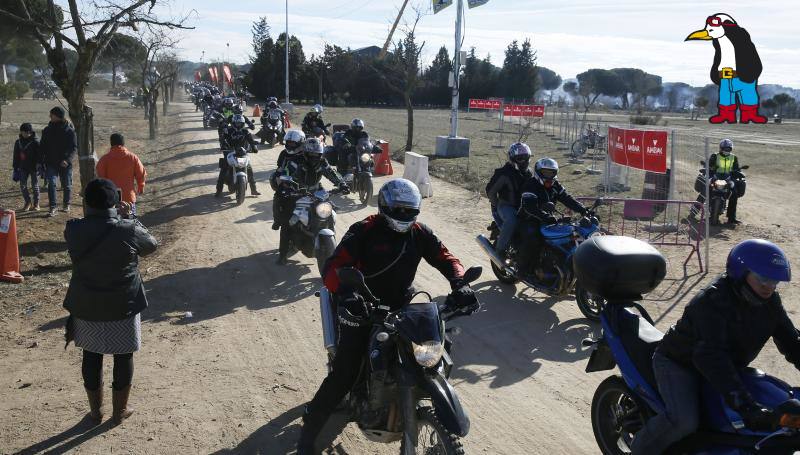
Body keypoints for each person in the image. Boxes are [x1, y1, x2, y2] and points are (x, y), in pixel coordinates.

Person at [296, 178, 479, 454]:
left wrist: (459, 283)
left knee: (436, 353)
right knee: (345, 372)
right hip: (361, 306)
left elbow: (447, 258)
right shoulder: (364, 230)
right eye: (399, 210)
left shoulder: (419, 233)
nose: (404, 216)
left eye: (410, 211)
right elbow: (334, 267)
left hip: (401, 309)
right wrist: (347, 293)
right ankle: (307, 438)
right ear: (384, 207)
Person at [630, 239, 798, 454]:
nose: (769, 286)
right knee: (684, 421)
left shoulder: (769, 301)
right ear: (741, 272)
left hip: (725, 364)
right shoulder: (712, 302)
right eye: (763, 279)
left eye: (775, 281)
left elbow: (791, 342)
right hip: (681, 363)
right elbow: (710, 356)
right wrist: (747, 407)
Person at [63, 178, 158, 425]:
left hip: (87, 305)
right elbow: (150, 246)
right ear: (115, 200)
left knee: (91, 355)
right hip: (123, 304)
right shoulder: (127, 228)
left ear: (86, 202)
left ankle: (95, 412)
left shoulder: (73, 229)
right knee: (123, 356)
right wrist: (131, 216)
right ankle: (119, 412)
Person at [274, 138, 347, 264]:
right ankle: (282, 254)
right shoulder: (294, 162)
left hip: (317, 191)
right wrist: (287, 186)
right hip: (297, 193)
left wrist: (342, 183)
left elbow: (331, 173)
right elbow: (286, 174)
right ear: (305, 153)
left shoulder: (322, 162)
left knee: (329, 211)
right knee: (288, 222)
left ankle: (332, 246)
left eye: (317, 154)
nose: (314, 157)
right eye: (311, 154)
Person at [516, 157, 587, 275]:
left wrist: (584, 210)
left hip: (547, 220)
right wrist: (545, 216)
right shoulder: (531, 184)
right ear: (538, 172)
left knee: (565, 238)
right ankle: (522, 270)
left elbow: (567, 198)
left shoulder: (555, 185)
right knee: (533, 239)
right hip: (529, 219)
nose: (549, 176)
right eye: (546, 172)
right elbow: (529, 207)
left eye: (552, 172)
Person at [486, 142, 533, 258]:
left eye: (526, 158)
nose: (524, 161)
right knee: (512, 220)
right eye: (520, 158)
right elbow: (490, 191)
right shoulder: (504, 173)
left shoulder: (529, 173)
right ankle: (500, 250)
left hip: (524, 206)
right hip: (506, 206)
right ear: (513, 159)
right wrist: (496, 206)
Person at [694, 138, 743, 224]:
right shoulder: (715, 156)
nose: (727, 150)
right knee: (705, 190)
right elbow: (708, 165)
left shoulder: (734, 158)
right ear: (720, 148)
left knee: (734, 193)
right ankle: (693, 211)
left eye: (729, 149)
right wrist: (707, 168)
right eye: (725, 148)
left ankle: (732, 218)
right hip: (715, 177)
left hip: (728, 178)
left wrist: (738, 173)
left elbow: (737, 169)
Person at [96, 133, 147, 216]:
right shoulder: (133, 157)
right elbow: (141, 173)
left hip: (111, 199)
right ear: (123, 143)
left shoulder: (104, 160)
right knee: (131, 223)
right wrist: (141, 186)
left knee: (113, 224)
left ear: (111, 143)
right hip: (129, 199)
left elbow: (101, 179)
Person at [40, 106, 77, 217]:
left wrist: (67, 160)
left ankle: (66, 204)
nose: (50, 116)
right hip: (51, 163)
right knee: (51, 184)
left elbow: (73, 148)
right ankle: (53, 207)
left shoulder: (69, 131)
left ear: (58, 116)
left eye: (52, 114)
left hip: (65, 164)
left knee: (66, 185)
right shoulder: (47, 130)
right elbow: (42, 146)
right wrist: (40, 161)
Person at [216, 114, 260, 197]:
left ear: (243, 123)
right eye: (237, 123)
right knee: (223, 170)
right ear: (233, 123)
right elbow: (222, 138)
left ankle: (253, 190)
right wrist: (223, 144)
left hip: (242, 153)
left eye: (240, 123)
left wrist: (254, 147)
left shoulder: (245, 131)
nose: (238, 125)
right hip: (230, 151)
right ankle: (219, 190)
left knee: (249, 169)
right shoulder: (228, 130)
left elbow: (251, 140)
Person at [271, 129, 305, 230]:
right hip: (288, 181)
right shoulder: (283, 153)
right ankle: (277, 220)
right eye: (288, 142)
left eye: (293, 143)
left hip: (305, 181)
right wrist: (279, 177)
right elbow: (279, 168)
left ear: (300, 142)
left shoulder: (306, 154)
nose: (290, 145)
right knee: (277, 197)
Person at [12, 123, 42, 211]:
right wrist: (15, 167)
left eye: (26, 132)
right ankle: (28, 202)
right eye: (22, 132)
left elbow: (40, 155)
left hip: (33, 167)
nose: (24, 134)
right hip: (22, 167)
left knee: (34, 185)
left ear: (30, 132)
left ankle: (36, 204)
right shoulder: (18, 142)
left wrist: (40, 165)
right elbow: (16, 155)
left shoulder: (36, 142)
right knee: (23, 185)